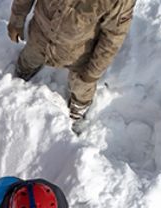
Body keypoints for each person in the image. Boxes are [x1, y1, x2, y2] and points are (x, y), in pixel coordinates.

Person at [7, 0, 136, 121]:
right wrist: (17, 19)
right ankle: (23, 72)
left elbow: (113, 37)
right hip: (39, 35)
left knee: (82, 86)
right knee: (29, 59)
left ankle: (79, 107)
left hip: (79, 53)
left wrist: (93, 72)